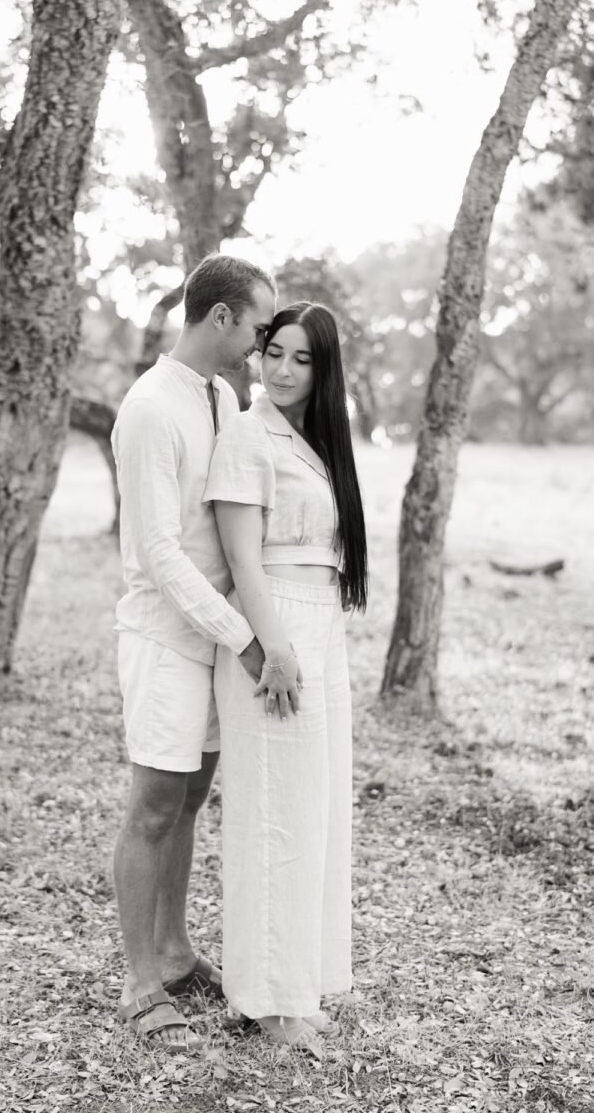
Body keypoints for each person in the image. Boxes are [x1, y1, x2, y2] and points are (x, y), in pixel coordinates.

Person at [111, 253, 276, 1053]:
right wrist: (242, 639)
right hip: (165, 635)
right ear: (220, 318)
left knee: (191, 799)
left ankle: (176, 955)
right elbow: (158, 552)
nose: (260, 340)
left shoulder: (224, 393)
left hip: (216, 634)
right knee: (152, 804)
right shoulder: (149, 409)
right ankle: (141, 983)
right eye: (255, 325)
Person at [203, 301, 368, 1057]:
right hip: (277, 630)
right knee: (276, 816)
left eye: (302, 359)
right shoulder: (246, 433)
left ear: (323, 369)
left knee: (316, 814)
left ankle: (300, 983)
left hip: (321, 624)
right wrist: (273, 648)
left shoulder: (320, 440)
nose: (282, 369)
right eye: (274, 352)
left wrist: (311, 640)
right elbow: (242, 557)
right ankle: (269, 1004)